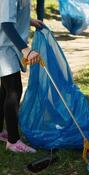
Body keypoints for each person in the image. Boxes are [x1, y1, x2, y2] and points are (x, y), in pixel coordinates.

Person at [0, 0, 43, 153]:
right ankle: (13, 142)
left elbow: (13, 15)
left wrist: (29, 21)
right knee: (14, 90)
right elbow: (5, 23)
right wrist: (26, 50)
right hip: (3, 48)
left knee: (5, 90)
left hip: (8, 45)